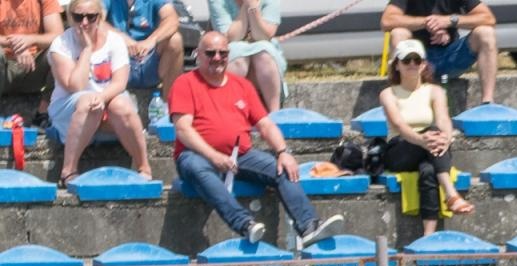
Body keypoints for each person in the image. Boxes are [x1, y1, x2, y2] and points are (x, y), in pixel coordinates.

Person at [170, 31, 343, 248]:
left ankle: (308, 226)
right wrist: (214, 156)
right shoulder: (185, 83)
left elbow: (265, 124)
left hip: (239, 155)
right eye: (210, 53)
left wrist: (283, 152)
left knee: (283, 169)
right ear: (198, 54)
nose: (217, 58)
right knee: (197, 167)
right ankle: (244, 224)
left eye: (223, 53)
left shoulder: (241, 85)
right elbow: (183, 130)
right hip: (196, 155)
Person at [47, 0, 151, 184]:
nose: (84, 23)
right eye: (78, 17)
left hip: (105, 104)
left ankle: (144, 167)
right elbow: (75, 86)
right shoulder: (61, 44)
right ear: (70, 18)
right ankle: (69, 170)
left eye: (91, 17)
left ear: (100, 18)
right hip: (69, 110)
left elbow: (120, 83)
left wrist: (102, 98)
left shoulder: (114, 41)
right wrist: (86, 49)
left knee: (120, 105)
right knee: (88, 102)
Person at [378, 37, 473, 236]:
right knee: (431, 136)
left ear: (423, 65)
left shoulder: (435, 91)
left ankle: (428, 235)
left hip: (431, 147)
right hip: (400, 149)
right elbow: (399, 125)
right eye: (406, 60)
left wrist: (446, 138)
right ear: (397, 65)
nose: (412, 64)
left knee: (429, 170)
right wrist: (423, 140)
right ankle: (451, 194)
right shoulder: (388, 93)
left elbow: (444, 119)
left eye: (417, 60)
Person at [382, 0, 497, 106]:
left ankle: (487, 103)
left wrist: (450, 21)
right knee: (398, 33)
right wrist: (427, 23)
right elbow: (387, 21)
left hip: (451, 57)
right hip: (417, 60)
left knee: (485, 33)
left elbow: (488, 18)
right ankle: (398, 100)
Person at [207, 0, 285, 108]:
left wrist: (253, 9)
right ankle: (228, 110)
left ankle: (275, 114)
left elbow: (263, 36)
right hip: (232, 51)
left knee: (264, 54)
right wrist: (246, 6)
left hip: (264, 51)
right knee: (237, 55)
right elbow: (229, 37)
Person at [1, 0, 64, 124]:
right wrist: (16, 45)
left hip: (33, 67)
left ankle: (43, 112)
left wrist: (30, 40)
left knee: (60, 49)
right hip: (4, 69)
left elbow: (58, 34)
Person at [107, 0, 182, 98]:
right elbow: (96, 21)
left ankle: (169, 104)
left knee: (175, 40)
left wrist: (151, 40)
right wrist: (121, 38)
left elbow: (172, 20)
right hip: (119, 63)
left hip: (150, 60)